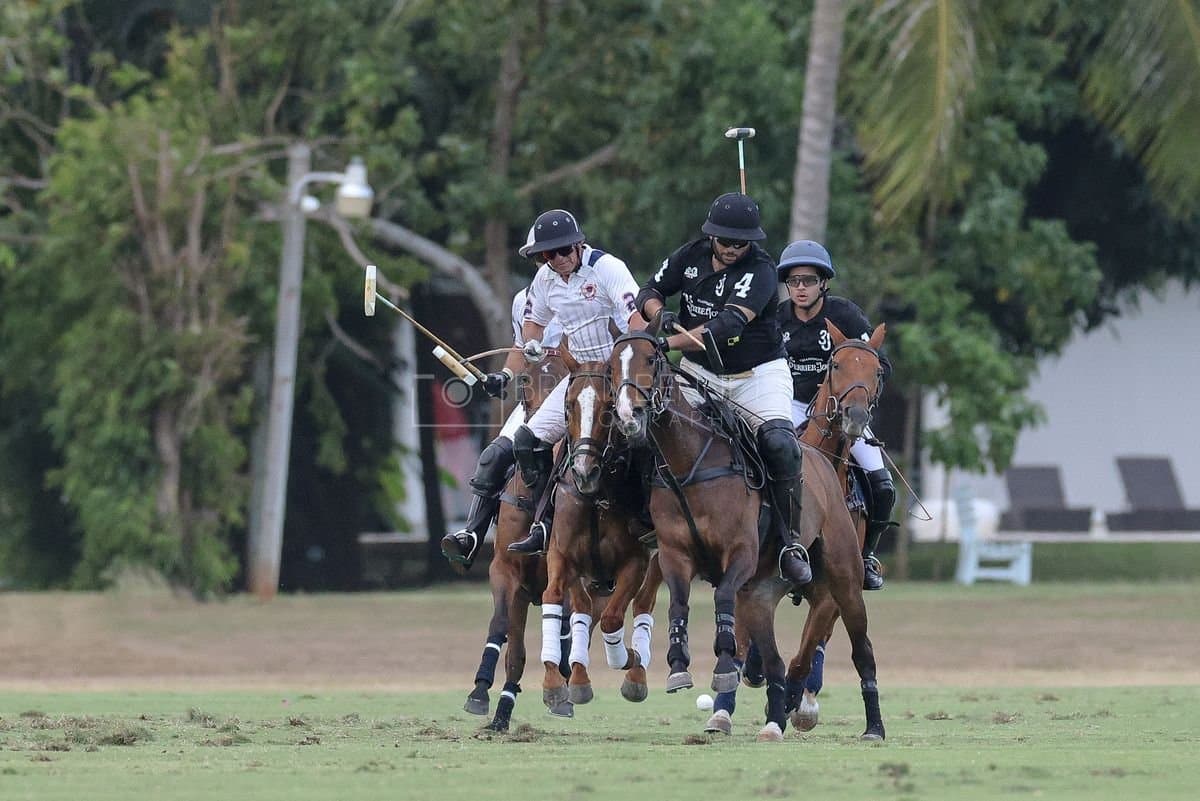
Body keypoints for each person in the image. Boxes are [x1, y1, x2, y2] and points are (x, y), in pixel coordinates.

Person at [634, 192, 812, 587]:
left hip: (757, 376)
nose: (733, 248)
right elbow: (648, 291)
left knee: (781, 445)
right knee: (646, 430)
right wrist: (658, 314)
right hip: (701, 374)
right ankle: (645, 521)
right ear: (711, 235)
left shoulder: (761, 271)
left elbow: (726, 326)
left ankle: (788, 542)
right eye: (726, 240)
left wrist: (665, 344)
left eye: (741, 242)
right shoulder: (689, 256)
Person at [506, 209, 645, 555]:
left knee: (639, 435)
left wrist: (634, 360)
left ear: (579, 245)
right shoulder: (545, 279)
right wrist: (532, 342)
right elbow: (533, 323)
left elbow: (635, 318)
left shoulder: (607, 268)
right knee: (526, 441)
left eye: (564, 251)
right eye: (547, 255)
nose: (557, 259)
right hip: (579, 378)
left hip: (616, 373)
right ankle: (543, 522)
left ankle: (648, 519)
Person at [776, 239, 894, 590]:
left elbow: (878, 365)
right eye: (794, 281)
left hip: (843, 408)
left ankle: (867, 556)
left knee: (881, 481)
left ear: (823, 282)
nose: (800, 288)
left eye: (808, 280)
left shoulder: (846, 315)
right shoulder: (776, 319)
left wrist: (859, 404)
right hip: (789, 403)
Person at [438, 273, 564, 572]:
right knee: (493, 456)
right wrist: (504, 377)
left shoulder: (581, 296)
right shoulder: (523, 301)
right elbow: (519, 351)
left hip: (576, 394)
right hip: (535, 400)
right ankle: (471, 535)